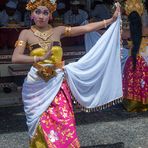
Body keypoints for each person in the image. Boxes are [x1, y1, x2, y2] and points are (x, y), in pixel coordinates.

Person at [12, 0, 121, 147]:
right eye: (37, 12)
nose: (41, 16)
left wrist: (111, 20)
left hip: (57, 83)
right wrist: (39, 58)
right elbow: (16, 57)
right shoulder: (25, 34)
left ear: (50, 15)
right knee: (41, 121)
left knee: (65, 120)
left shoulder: (58, 30)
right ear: (31, 14)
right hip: (36, 86)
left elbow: (86, 28)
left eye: (45, 12)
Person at [122, 0, 148, 112]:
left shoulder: (125, 32)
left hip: (131, 61)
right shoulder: (146, 30)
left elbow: (106, 34)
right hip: (145, 59)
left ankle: (131, 104)